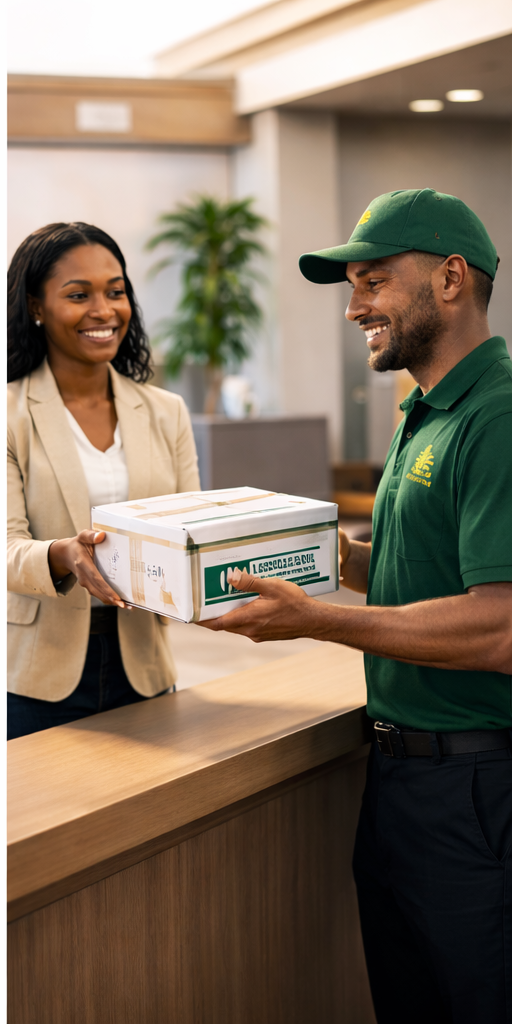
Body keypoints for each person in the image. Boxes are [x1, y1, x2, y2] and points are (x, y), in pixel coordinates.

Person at [200, 189, 512, 1024]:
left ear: (451, 279)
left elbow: (500, 626)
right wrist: (305, 558)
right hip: (404, 778)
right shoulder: (425, 411)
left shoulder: (500, 415)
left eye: (373, 281)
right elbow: (419, 576)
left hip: (478, 786)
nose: (353, 308)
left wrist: (317, 620)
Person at [8, 222, 200, 740]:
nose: (103, 310)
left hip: (144, 663)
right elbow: (6, 548)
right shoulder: (10, 415)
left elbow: (192, 532)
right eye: (78, 295)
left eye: (116, 292)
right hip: (37, 678)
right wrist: (62, 555)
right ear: (35, 307)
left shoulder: (166, 411)